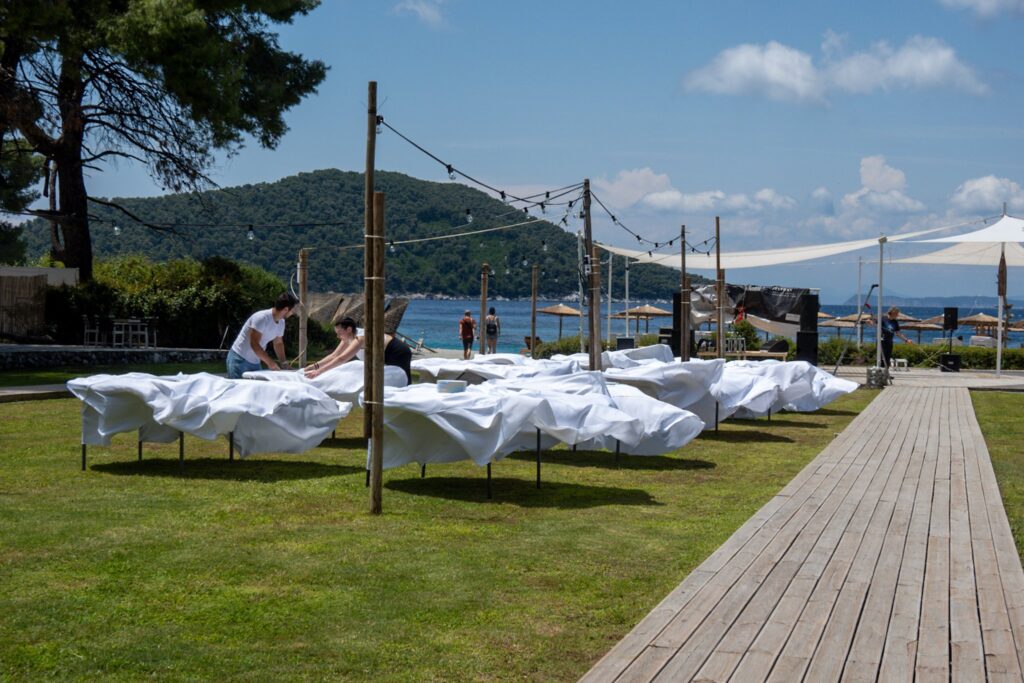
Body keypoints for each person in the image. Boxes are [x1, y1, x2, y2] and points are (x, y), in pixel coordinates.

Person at [304, 317, 412, 385]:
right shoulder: (348, 337)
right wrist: (314, 366)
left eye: (339, 333)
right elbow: (334, 355)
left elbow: (342, 358)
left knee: (402, 380)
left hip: (398, 351)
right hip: (383, 354)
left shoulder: (359, 338)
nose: (337, 336)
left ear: (349, 329)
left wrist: (319, 371)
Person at [226, 292, 298, 379]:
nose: (293, 313)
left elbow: (278, 343)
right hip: (239, 359)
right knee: (239, 388)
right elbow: (254, 343)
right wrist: (270, 362)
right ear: (286, 309)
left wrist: (284, 363)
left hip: (255, 362)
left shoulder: (281, 322)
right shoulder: (261, 318)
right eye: (292, 310)